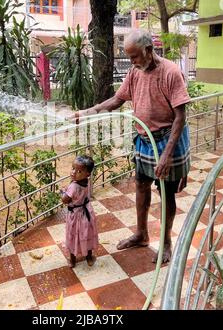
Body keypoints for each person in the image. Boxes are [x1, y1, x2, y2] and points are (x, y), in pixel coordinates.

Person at [70, 28, 191, 263]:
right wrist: (87, 113)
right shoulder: (135, 72)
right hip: (144, 139)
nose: (131, 62)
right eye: (129, 57)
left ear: (148, 50)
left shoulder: (170, 72)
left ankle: (166, 244)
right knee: (141, 185)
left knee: (166, 193)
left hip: (167, 140)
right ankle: (141, 234)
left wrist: (166, 155)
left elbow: (180, 116)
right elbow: (117, 100)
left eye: (134, 56)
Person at [60, 155, 98, 268]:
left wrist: (62, 192)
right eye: (73, 168)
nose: (74, 172)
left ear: (87, 173)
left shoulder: (73, 186)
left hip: (75, 216)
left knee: (73, 235)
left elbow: (65, 200)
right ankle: (89, 257)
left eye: (79, 171)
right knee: (87, 233)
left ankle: (72, 260)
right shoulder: (86, 181)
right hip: (87, 213)